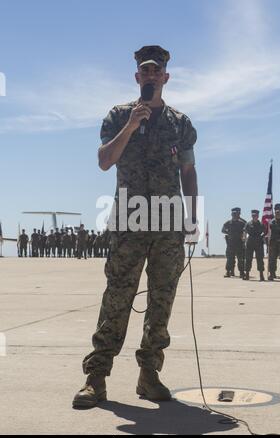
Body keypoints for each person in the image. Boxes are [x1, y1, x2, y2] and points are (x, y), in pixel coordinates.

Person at [73, 45, 198, 408]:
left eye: (156, 70)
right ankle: (96, 377)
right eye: (145, 70)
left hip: (169, 223)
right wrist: (131, 126)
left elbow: (188, 171)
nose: (150, 75)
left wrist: (192, 215)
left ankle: (149, 375)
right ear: (137, 77)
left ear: (166, 77)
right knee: (117, 297)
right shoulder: (118, 115)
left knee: (162, 300)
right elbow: (103, 161)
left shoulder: (180, 123)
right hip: (130, 220)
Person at [222, 208, 246, 278]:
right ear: (231, 215)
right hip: (231, 243)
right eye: (233, 214)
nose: (235, 216)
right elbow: (222, 230)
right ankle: (228, 272)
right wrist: (229, 233)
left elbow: (245, 231)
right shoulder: (228, 223)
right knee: (230, 259)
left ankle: (241, 272)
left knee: (240, 259)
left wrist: (243, 237)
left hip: (239, 243)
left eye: (236, 214)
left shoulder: (242, 223)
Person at [244, 210, 265, 281]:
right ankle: (247, 274)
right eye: (253, 216)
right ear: (252, 216)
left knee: (260, 259)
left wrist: (262, 238)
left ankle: (261, 275)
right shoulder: (248, 224)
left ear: (258, 216)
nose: (254, 217)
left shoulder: (261, 224)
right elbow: (245, 231)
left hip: (259, 242)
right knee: (248, 259)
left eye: (256, 216)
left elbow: (264, 233)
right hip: (250, 242)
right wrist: (244, 239)